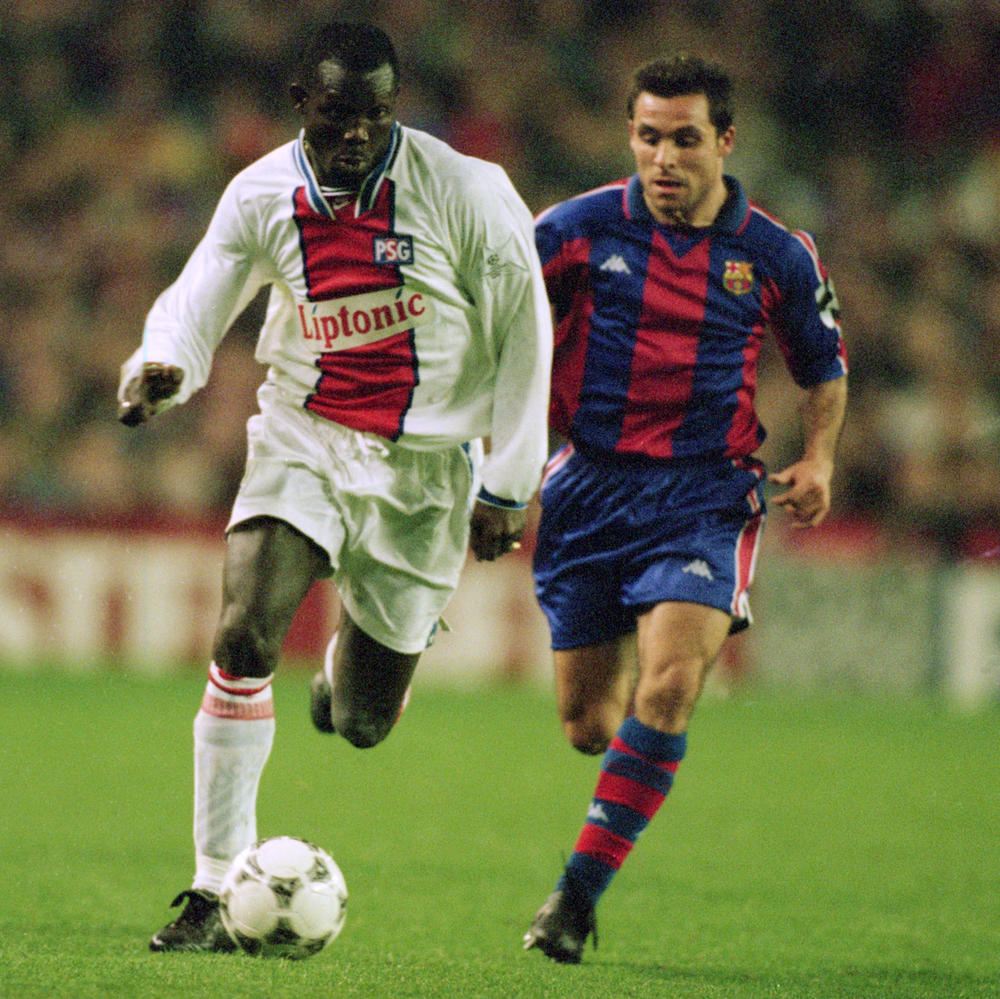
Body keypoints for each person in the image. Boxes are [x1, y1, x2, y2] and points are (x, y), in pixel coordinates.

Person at [117, 22, 552, 953]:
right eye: (336, 112)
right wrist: (164, 361)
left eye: (376, 113)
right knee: (241, 633)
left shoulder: (467, 191)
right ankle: (210, 887)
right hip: (306, 437)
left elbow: (526, 332)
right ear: (299, 104)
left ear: (397, 107)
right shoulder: (263, 193)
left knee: (358, 721)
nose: (357, 131)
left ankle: (347, 675)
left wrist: (512, 479)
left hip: (429, 472)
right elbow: (202, 294)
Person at [522, 53, 848, 964]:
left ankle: (573, 900)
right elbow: (500, 333)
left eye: (686, 140)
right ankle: (624, 764)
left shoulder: (775, 253)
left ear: (726, 142)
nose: (665, 159)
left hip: (706, 493)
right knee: (591, 725)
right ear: (632, 136)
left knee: (671, 684)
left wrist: (818, 455)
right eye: (650, 138)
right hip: (587, 487)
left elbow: (823, 368)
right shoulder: (574, 231)